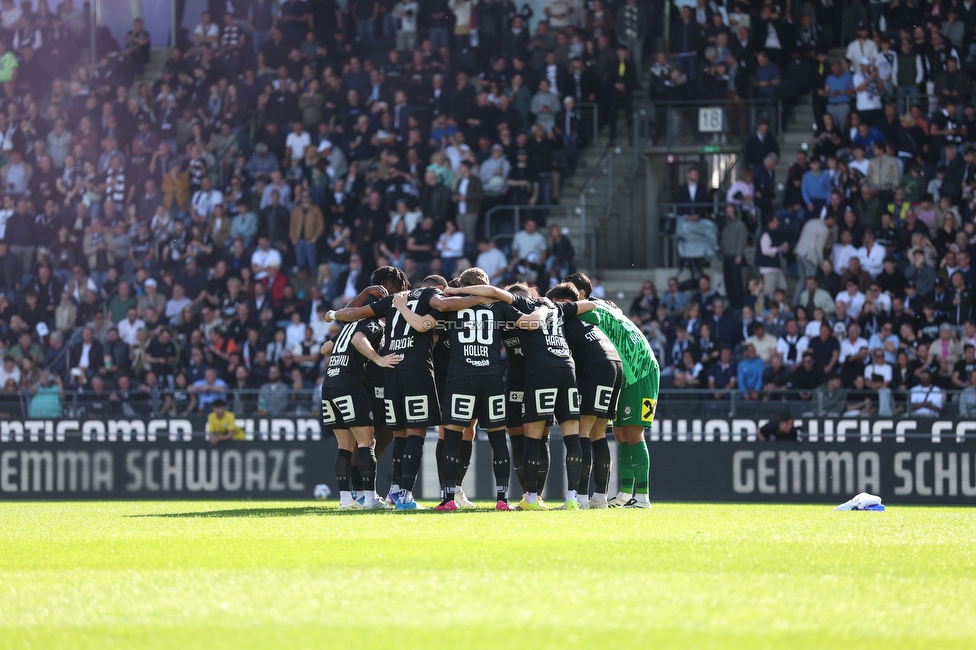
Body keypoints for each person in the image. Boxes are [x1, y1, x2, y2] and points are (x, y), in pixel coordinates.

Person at [327, 276, 486, 509]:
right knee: (415, 435)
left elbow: (354, 315)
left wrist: (332, 315)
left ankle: (393, 491)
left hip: (391, 371)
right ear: (439, 289)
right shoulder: (432, 297)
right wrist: (483, 297)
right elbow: (438, 311)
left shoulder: (391, 300)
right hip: (417, 371)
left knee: (398, 435)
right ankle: (405, 497)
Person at [563, 272, 660, 510]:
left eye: (570, 293)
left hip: (641, 371)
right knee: (619, 434)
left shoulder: (588, 309)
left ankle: (644, 497)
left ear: (582, 294)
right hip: (624, 373)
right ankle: (626, 494)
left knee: (634, 432)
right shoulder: (601, 306)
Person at [320, 297, 401, 510]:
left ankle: (346, 500)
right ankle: (370, 498)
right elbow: (358, 340)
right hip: (350, 385)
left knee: (344, 446)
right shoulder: (374, 323)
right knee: (368, 443)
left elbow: (325, 349)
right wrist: (378, 359)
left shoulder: (348, 326)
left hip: (330, 384)